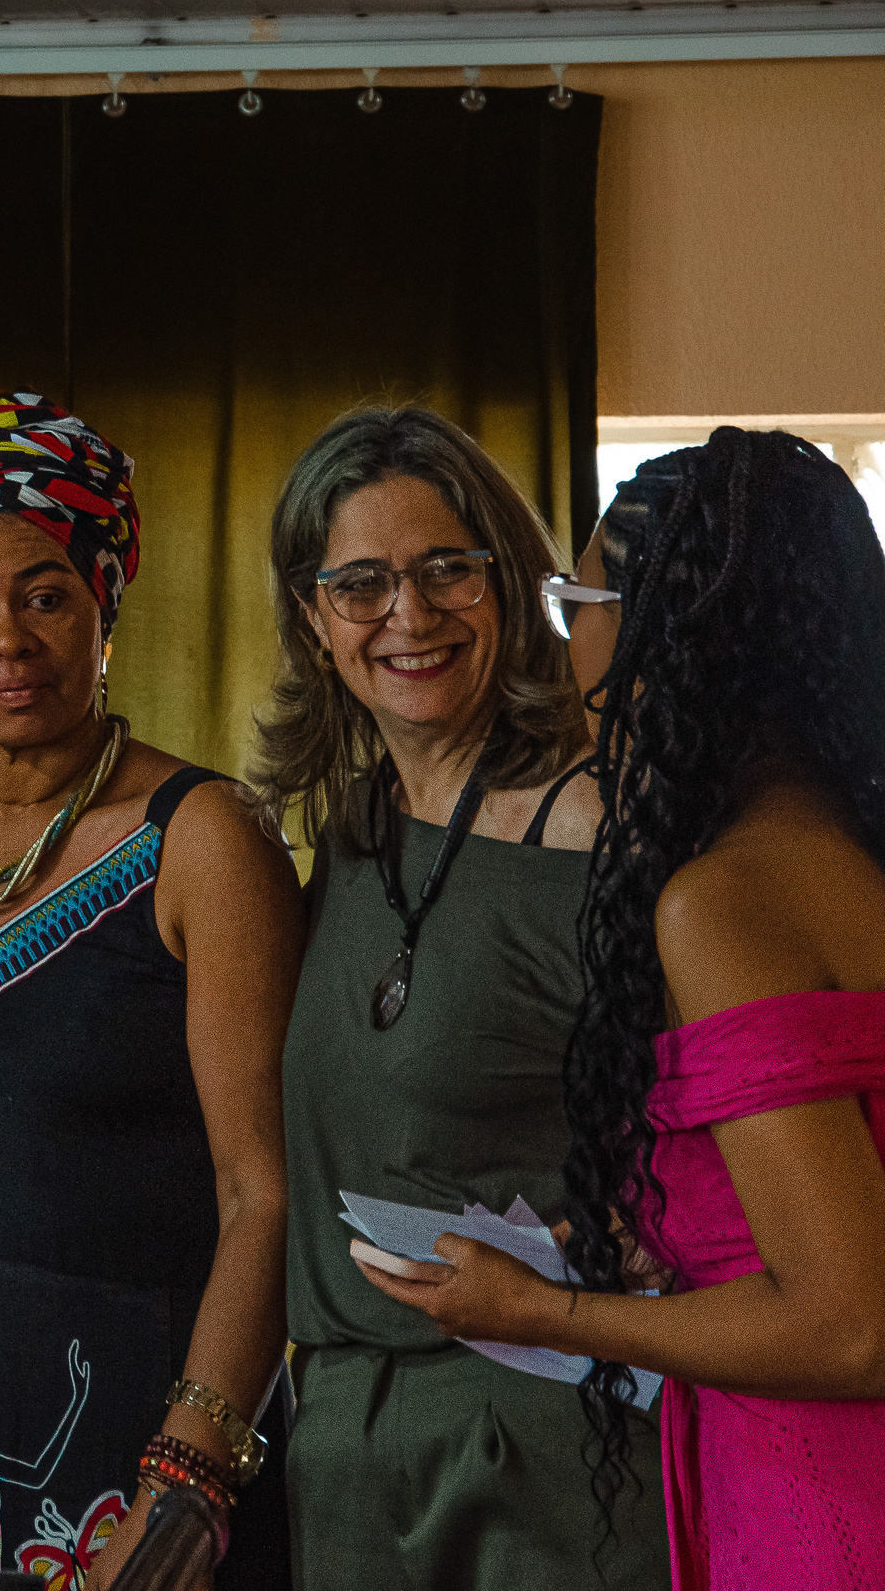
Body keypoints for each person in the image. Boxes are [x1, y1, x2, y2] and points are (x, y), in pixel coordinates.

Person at [360, 430, 885, 1589]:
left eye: (578, 602)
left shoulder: (725, 900)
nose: (569, 643)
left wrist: (545, 1313)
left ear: (667, 631)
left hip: (830, 1505)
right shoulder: (844, 850)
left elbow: (853, 1324)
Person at [0, 387, 299, 1589]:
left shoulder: (202, 840)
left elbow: (264, 1192)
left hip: (139, 1448)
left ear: (104, 605)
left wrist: (185, 1483)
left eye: (45, 596)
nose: (7, 639)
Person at [252, 405, 668, 1587]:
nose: (409, 614)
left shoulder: (604, 820)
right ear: (311, 614)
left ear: (515, 584)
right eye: (361, 583)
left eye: (447, 569)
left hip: (547, 1439)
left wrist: (666, 1225)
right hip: (344, 1439)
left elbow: (758, 1088)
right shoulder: (348, 828)